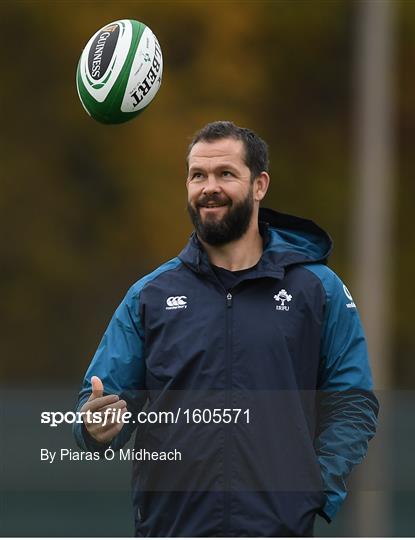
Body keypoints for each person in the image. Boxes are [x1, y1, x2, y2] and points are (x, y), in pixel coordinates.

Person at [74, 121, 378, 537]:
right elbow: (99, 405)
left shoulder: (317, 289)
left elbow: (353, 402)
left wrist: (314, 488)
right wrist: (92, 426)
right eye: (198, 175)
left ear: (259, 185)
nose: (209, 187)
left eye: (226, 174)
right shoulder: (149, 296)